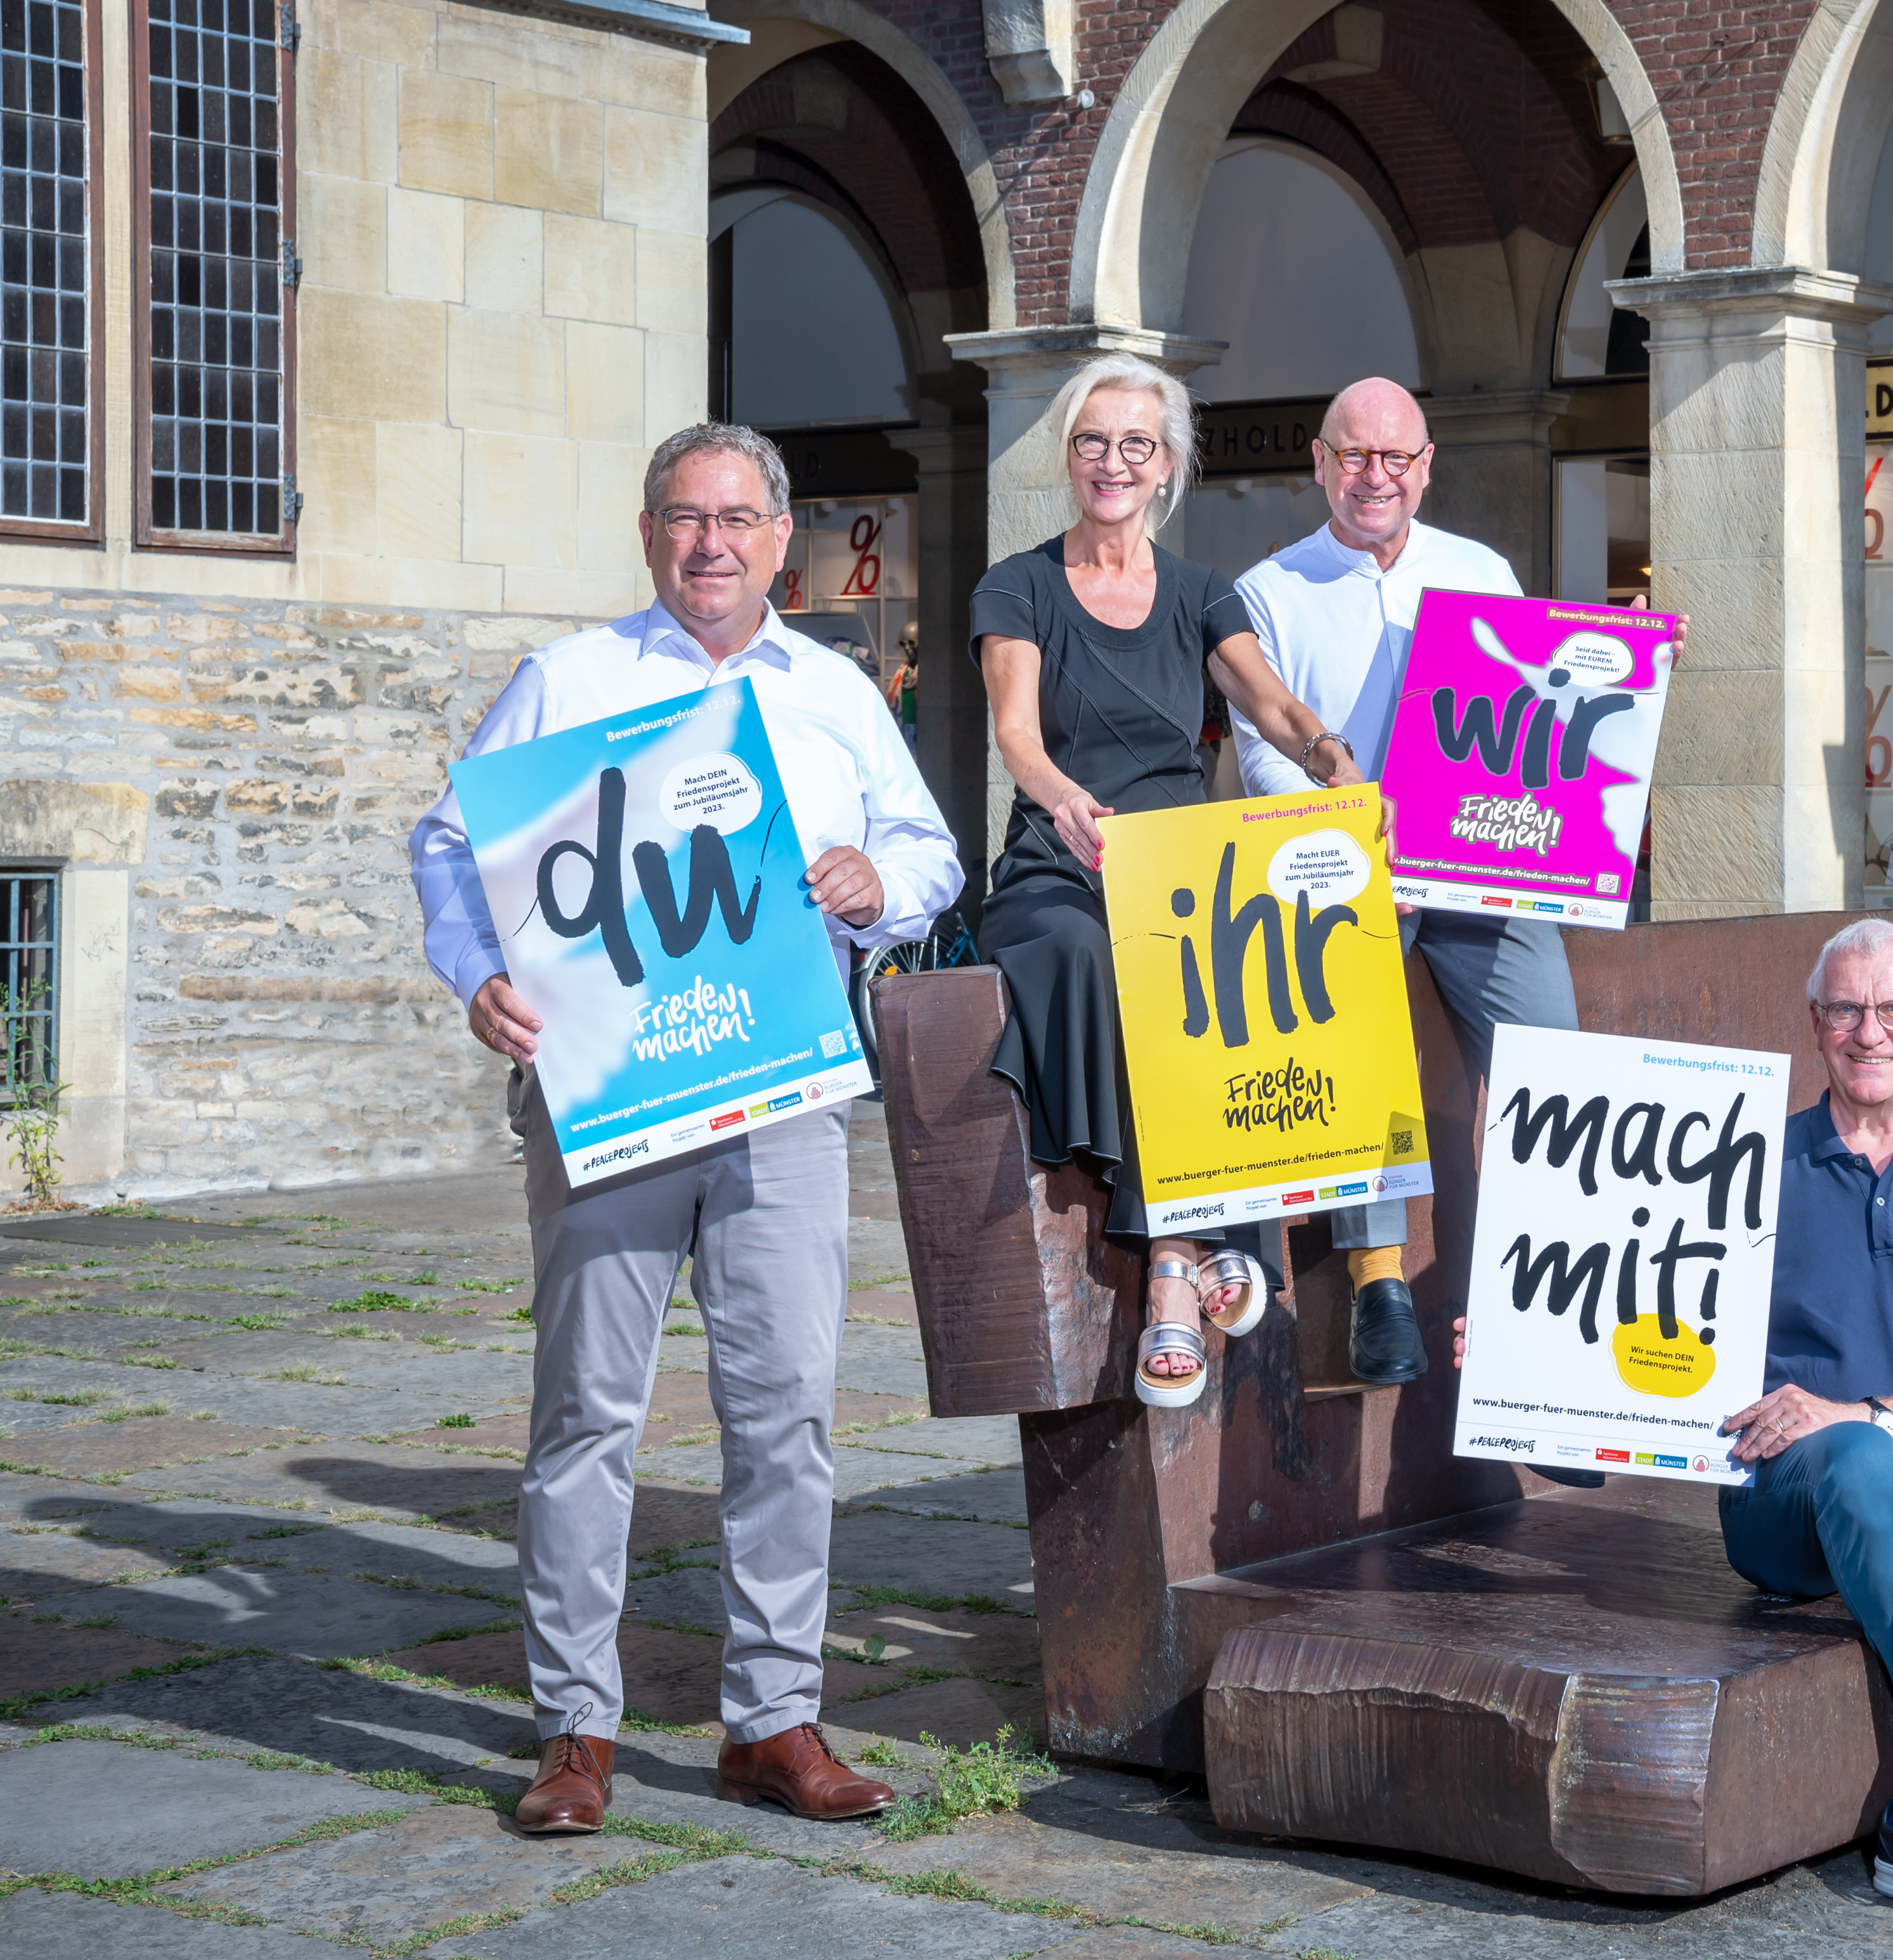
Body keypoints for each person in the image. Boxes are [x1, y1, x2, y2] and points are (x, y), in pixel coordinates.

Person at [408, 422, 963, 1836]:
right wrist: (476, 972)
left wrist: (870, 882)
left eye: (735, 517)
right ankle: (574, 1730)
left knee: (787, 1411)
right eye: (682, 517)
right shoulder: (570, 680)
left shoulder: (836, 690)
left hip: (780, 1098)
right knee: (586, 1413)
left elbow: (933, 853)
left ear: (782, 537)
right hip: (612, 1098)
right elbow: (447, 843)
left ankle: (773, 1719)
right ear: (648, 533)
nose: (709, 542)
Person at [1452, 916, 1893, 1926]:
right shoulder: (1745, 1162)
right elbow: (1627, 1300)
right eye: (1845, 1010)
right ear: (1815, 1025)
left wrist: (1865, 1415)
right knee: (1855, 1463)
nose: (1869, 1031)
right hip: (1787, 1501)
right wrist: (1529, 1336)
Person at [972, 352, 1364, 1409]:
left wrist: (1331, 758)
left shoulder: (1198, 592)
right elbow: (1016, 734)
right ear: (1069, 457)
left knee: (1239, 966)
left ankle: (1181, 1266)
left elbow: (1273, 708)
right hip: (1062, 862)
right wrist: (1062, 798)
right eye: (1094, 441)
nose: (1112, 461)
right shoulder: (1017, 584)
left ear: (1167, 466)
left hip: (1182, 870)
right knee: (1085, 955)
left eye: (1135, 444)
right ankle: (1194, 1264)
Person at [1229, 377, 1582, 1391]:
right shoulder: (1272, 588)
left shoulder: (1483, 571)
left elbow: (1536, 707)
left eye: (1394, 458)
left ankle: (1548, 1294)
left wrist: (1631, 679)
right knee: (1349, 1032)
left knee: (1548, 1053)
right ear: (1317, 462)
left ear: (1426, 466)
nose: (1372, 476)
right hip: (1344, 873)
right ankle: (1378, 1278)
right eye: (1353, 456)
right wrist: (1341, 836)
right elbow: (1258, 749)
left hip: (1475, 869)